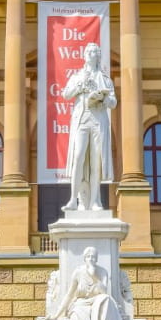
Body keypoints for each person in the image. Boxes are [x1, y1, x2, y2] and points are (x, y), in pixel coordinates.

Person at [62, 43, 116, 211]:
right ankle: (74, 200)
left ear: (99, 56)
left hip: (98, 120)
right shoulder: (77, 76)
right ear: (85, 55)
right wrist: (80, 87)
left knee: (95, 162)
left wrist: (104, 99)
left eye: (96, 52)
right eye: (90, 51)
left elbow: (113, 102)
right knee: (78, 158)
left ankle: (95, 201)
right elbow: (65, 94)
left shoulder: (105, 79)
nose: (93, 54)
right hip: (82, 120)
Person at [54, 247, 127, 320]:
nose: (91, 259)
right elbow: (69, 295)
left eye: (93, 257)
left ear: (97, 259)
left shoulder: (103, 272)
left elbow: (104, 291)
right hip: (81, 303)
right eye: (88, 257)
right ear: (84, 258)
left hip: (97, 299)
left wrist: (94, 275)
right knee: (77, 314)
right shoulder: (78, 272)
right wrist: (57, 314)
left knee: (107, 300)